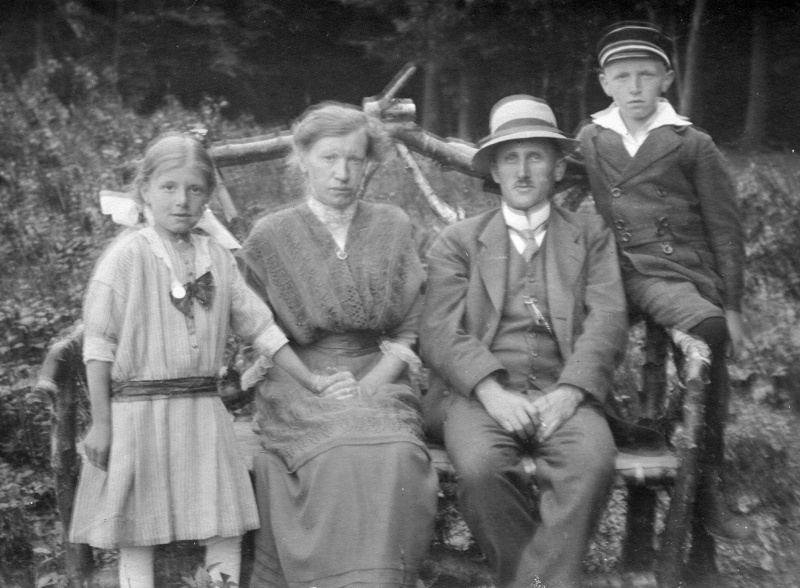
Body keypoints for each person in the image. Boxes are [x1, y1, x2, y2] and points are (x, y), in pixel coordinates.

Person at [69, 133, 351, 588]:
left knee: (223, 524)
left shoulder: (217, 259)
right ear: (144, 190)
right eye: (169, 188)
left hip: (202, 413)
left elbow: (262, 329)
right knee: (138, 534)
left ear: (208, 196)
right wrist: (101, 423)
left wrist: (313, 381)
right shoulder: (126, 257)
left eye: (195, 189)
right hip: (136, 415)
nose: (182, 201)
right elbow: (98, 346)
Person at [420, 95, 628, 588]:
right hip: (479, 396)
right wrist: (492, 392)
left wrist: (571, 392)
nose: (523, 170)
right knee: (480, 466)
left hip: (565, 391)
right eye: (510, 158)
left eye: (536, 156)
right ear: (493, 170)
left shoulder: (590, 235)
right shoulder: (459, 241)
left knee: (592, 463)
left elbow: (608, 318)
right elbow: (439, 331)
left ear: (558, 168)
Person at [238, 102, 438, 588]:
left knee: (395, 451)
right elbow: (257, 332)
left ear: (370, 162)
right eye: (329, 158)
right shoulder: (271, 235)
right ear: (301, 158)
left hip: (382, 373)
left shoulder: (394, 225)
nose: (343, 173)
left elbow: (409, 328)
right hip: (296, 378)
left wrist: (371, 385)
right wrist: (315, 384)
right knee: (336, 445)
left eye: (355, 159)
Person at [575, 21, 753, 541]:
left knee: (711, 331)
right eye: (622, 76)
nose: (634, 88)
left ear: (666, 79)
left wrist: (734, 307)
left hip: (669, 272)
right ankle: (601, 430)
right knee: (568, 330)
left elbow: (726, 228)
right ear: (605, 82)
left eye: (646, 75)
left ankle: (707, 479)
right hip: (609, 269)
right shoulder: (591, 136)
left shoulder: (690, 142)